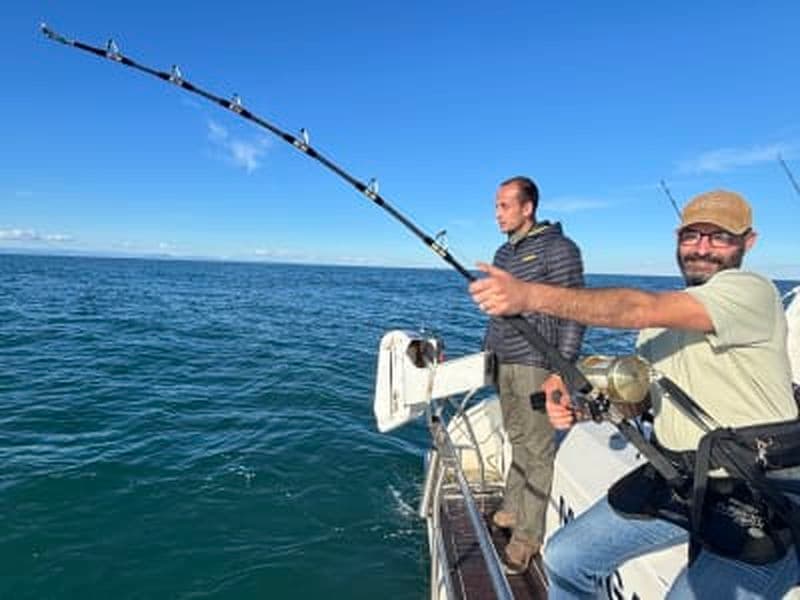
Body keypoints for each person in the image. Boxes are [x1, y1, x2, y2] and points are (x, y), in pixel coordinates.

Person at [470, 189, 799, 598]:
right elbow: (641, 401)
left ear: (748, 242)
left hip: (760, 491)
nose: (702, 248)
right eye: (692, 236)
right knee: (565, 557)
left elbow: (638, 307)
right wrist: (582, 406)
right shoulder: (659, 326)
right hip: (679, 477)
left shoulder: (752, 290)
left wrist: (530, 296)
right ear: (678, 240)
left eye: (719, 237)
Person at [483, 176, 585, 574]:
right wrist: (486, 353)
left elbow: (575, 310)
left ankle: (527, 538)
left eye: (504, 206)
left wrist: (562, 368)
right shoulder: (503, 252)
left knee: (538, 450)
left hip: (536, 362)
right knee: (517, 438)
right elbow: (498, 309)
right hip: (504, 359)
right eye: (496, 206)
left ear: (528, 208)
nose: (497, 214)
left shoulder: (560, 249)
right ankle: (512, 507)